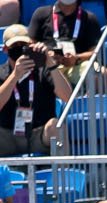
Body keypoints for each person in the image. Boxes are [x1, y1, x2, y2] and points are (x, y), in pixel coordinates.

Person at [0, 24, 67, 157]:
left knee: (56, 126)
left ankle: (63, 176)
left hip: (38, 134)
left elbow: (67, 97)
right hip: (7, 136)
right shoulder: (1, 72)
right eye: (15, 46)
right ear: (6, 49)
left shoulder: (44, 70)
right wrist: (15, 76)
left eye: (23, 44)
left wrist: (50, 63)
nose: (19, 49)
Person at [26, 0, 97, 80]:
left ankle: (86, 93)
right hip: (47, 66)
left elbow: (95, 52)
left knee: (101, 73)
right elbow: (30, 44)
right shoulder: (41, 13)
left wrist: (76, 58)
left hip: (75, 66)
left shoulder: (89, 18)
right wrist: (46, 55)